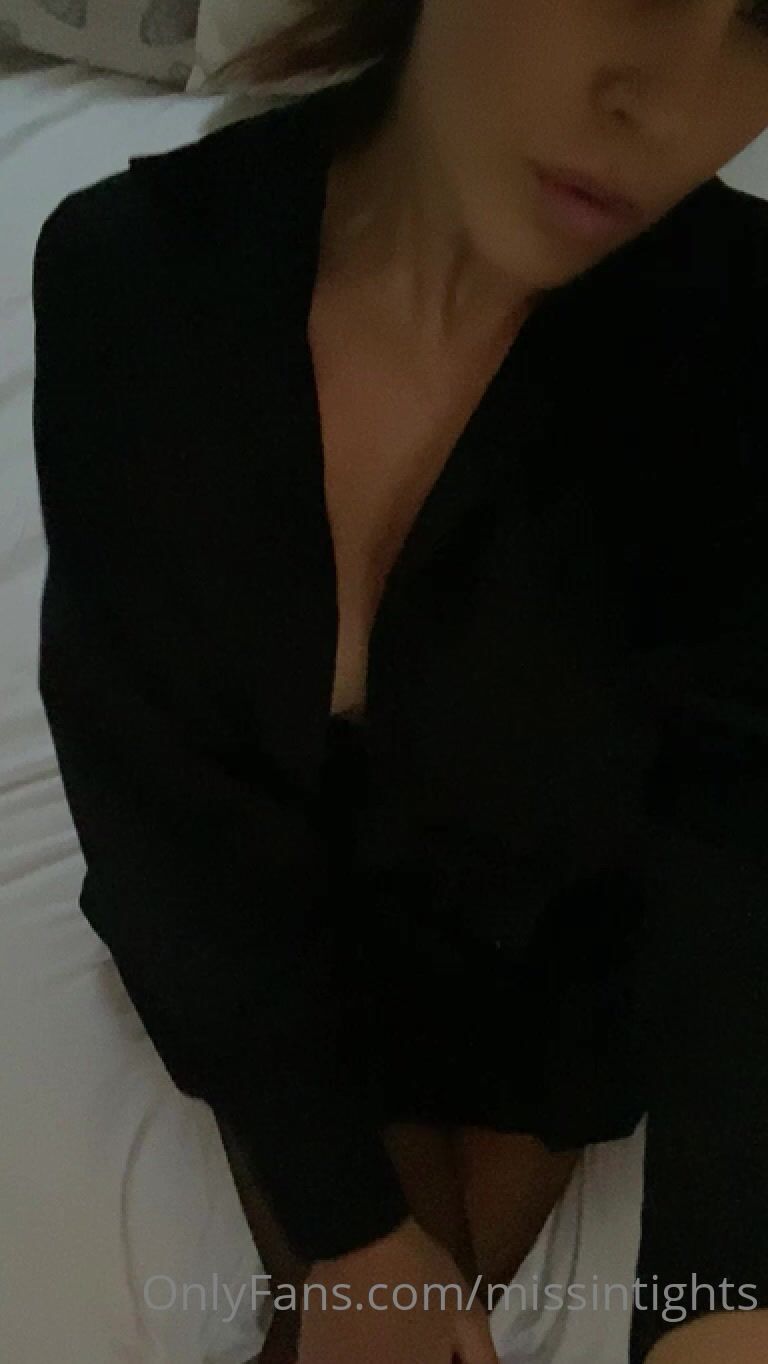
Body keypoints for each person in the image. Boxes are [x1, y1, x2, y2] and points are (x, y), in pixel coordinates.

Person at [30, 2, 768, 1362]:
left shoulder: (743, 335)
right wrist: (354, 1228)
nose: (670, 102)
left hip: (550, 941)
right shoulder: (131, 282)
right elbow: (157, 807)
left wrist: (720, 1289)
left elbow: (739, 823)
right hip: (258, 922)